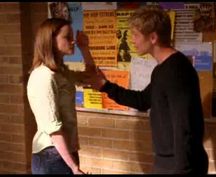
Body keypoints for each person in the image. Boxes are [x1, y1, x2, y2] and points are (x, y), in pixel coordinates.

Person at [84, 5, 209, 175]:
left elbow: (184, 125)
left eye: (136, 35)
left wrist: (182, 169)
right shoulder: (161, 70)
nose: (132, 40)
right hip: (166, 162)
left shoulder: (177, 71)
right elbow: (142, 101)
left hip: (180, 166)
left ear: (153, 37)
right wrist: (106, 86)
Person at [27, 18, 93, 174]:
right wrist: (74, 168)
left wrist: (84, 49)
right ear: (50, 41)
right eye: (67, 37)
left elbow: (91, 76)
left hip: (65, 151)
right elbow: (53, 129)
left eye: (72, 37)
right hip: (51, 154)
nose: (73, 41)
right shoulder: (43, 76)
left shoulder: (60, 72)